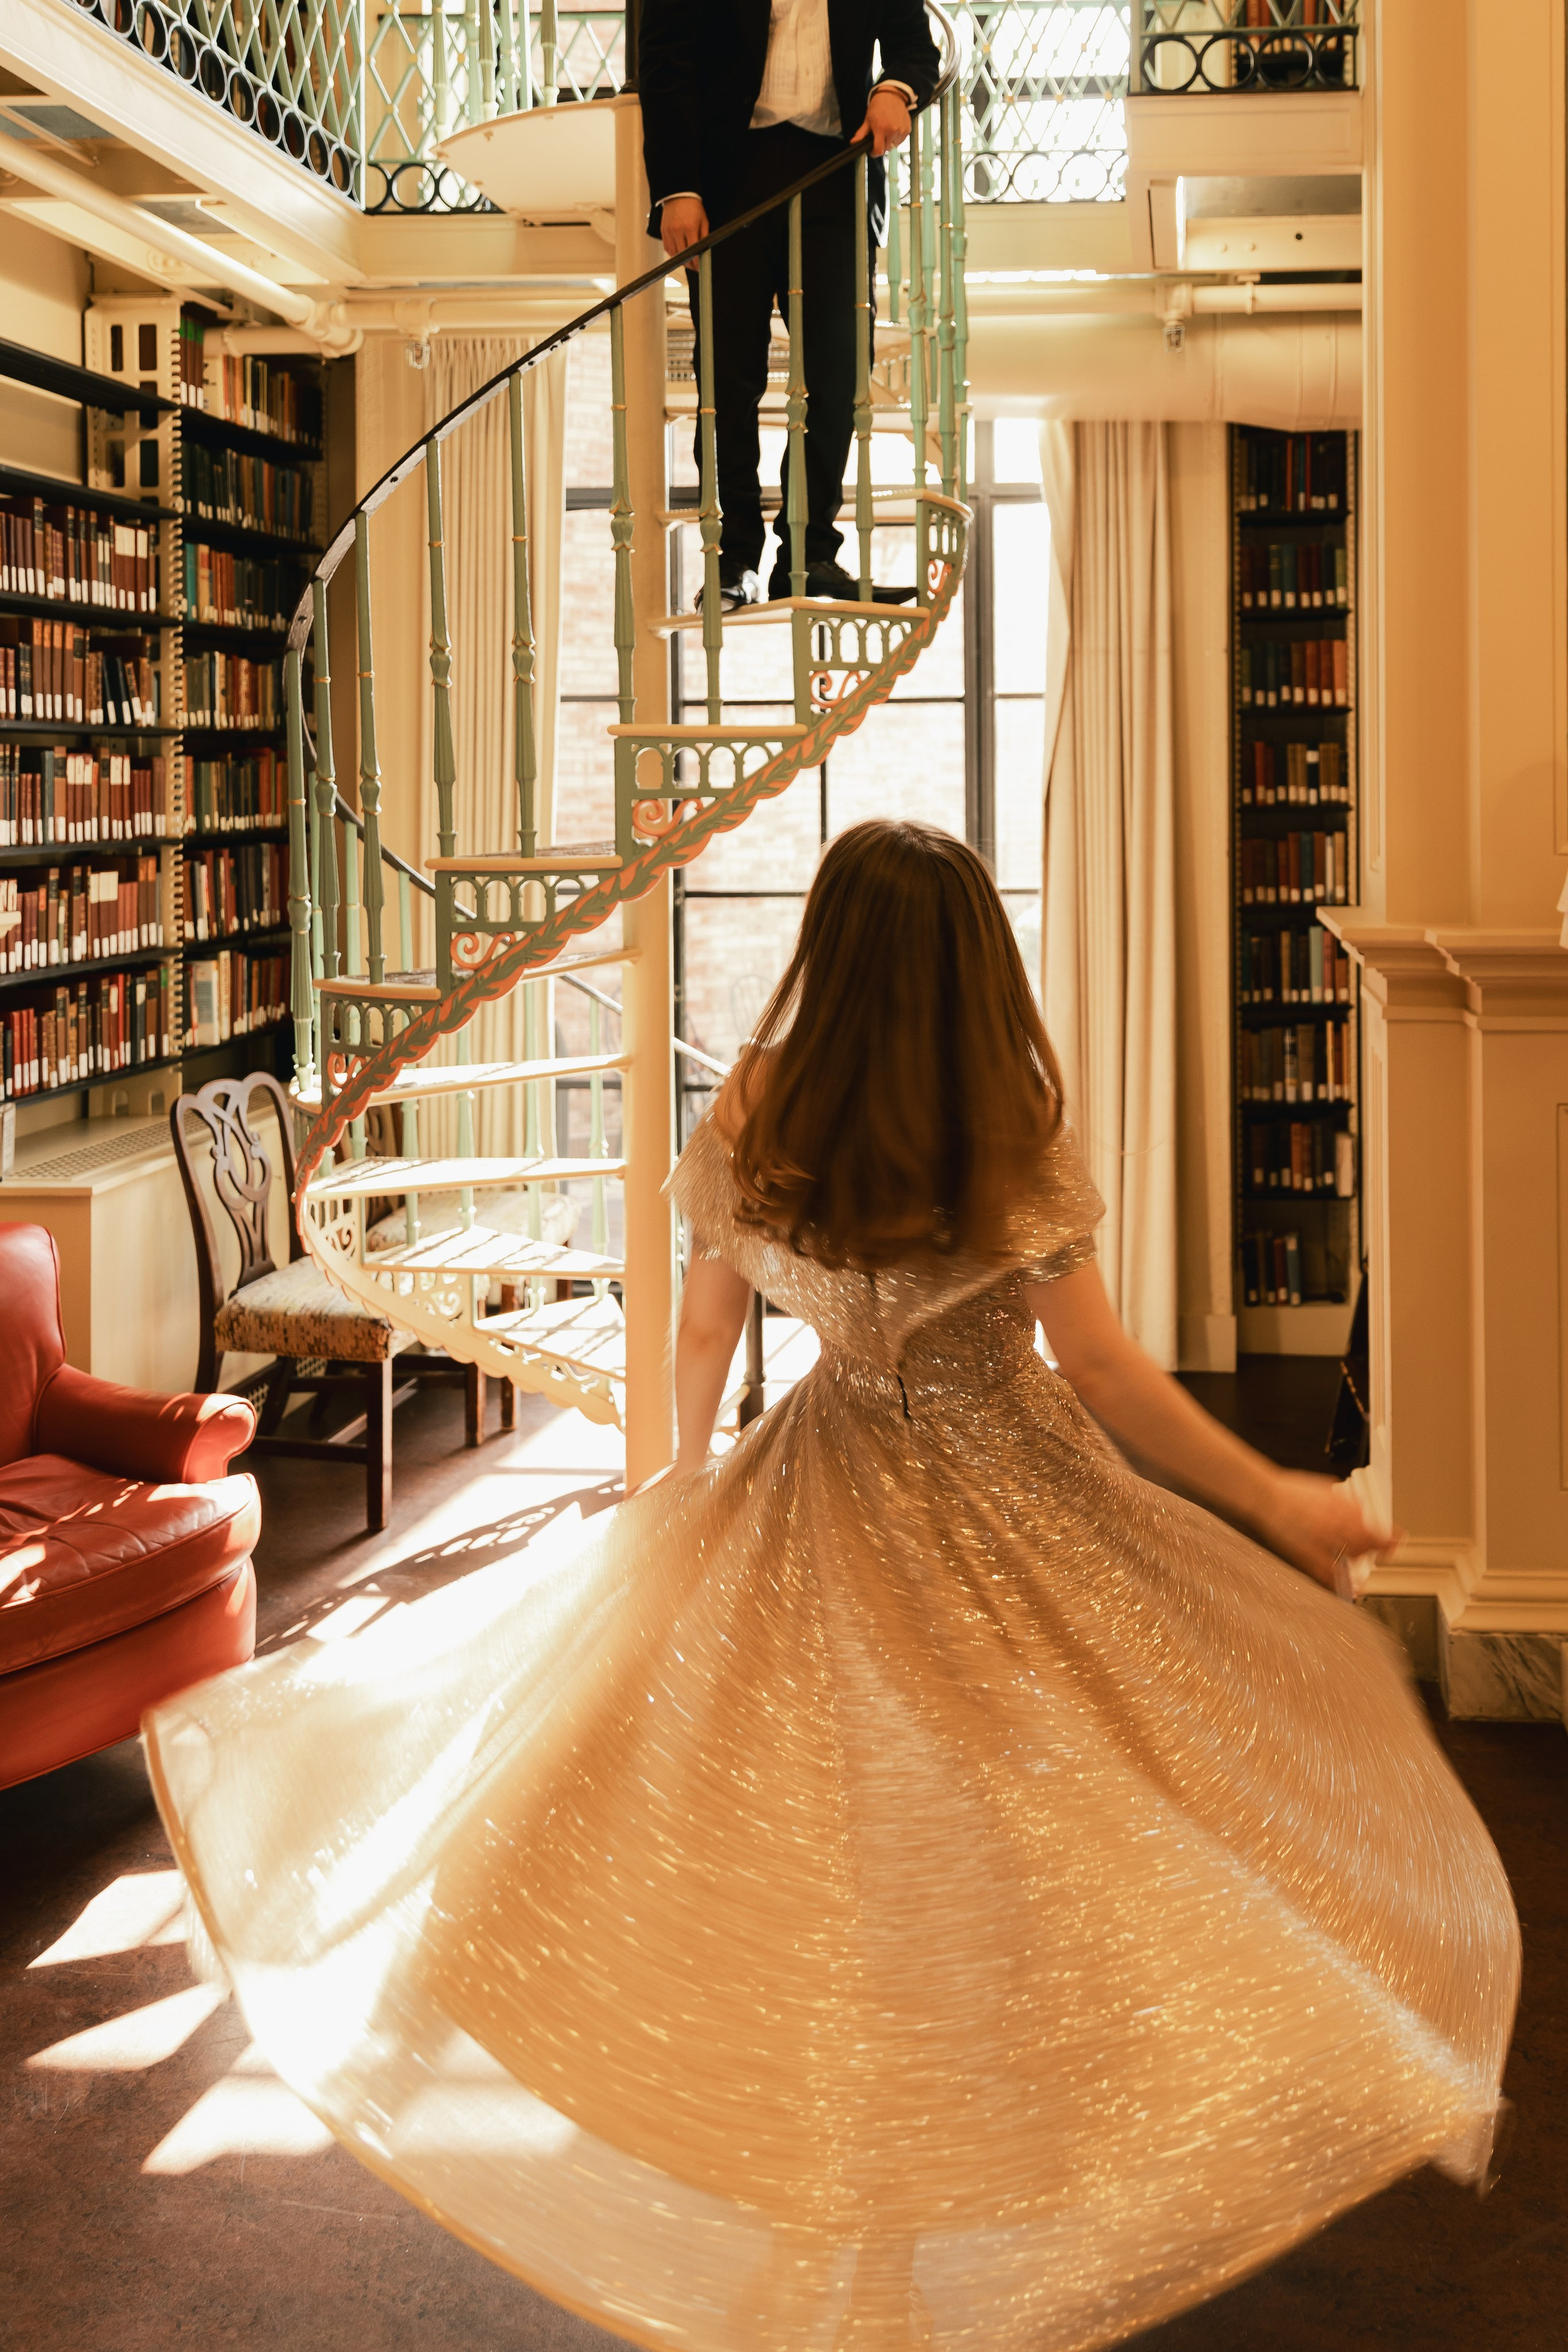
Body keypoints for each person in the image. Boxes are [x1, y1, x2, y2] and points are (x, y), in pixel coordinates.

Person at [145, 820, 1518, 2352]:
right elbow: (1106, 1369)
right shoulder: (1009, 1120)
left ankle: (867, 2221)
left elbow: (692, 1339)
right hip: (1018, 1509)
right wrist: (1275, 1498)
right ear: (971, 963)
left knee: (837, 1860)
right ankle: (1011, 2144)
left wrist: (658, 1500)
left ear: (829, 952)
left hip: (821, 1487)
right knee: (1081, 1815)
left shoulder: (759, 1107)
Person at [638, 0, 942, 609]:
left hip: (837, 166)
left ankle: (810, 555)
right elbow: (665, 62)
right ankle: (735, 559)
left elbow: (915, 44)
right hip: (726, 178)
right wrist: (678, 187)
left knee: (839, 373)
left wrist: (895, 88)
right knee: (727, 381)